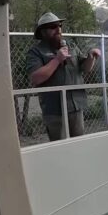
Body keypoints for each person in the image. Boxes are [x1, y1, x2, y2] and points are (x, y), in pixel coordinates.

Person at [26, 12, 100, 141]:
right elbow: (35, 78)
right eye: (53, 26)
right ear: (42, 32)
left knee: (78, 144)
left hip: (75, 105)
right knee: (59, 147)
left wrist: (91, 57)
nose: (58, 29)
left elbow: (85, 68)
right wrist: (57, 60)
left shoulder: (70, 46)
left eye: (59, 25)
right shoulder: (36, 52)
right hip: (54, 109)